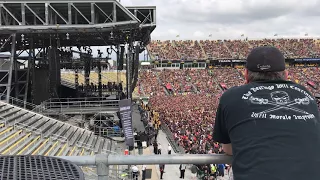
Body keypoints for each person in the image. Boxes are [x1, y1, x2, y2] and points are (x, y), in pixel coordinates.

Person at [213, 46, 320, 180]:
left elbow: (229, 149)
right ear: (286, 75)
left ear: (246, 75)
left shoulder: (231, 97)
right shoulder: (306, 94)